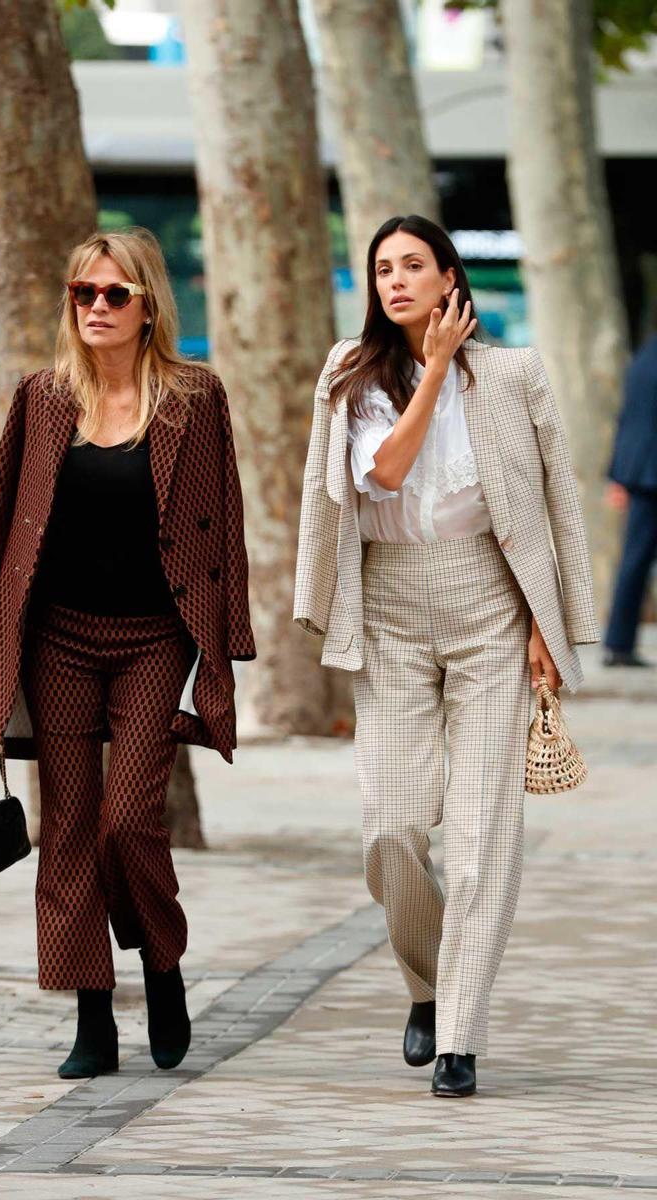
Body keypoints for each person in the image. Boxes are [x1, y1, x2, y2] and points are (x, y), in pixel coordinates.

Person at [0, 229, 255, 1079]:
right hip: (58, 638)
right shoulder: (42, 397)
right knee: (70, 826)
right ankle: (91, 1017)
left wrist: (226, 645)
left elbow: (222, 521)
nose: (98, 309)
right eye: (84, 294)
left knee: (127, 823)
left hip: (155, 637)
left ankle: (162, 963)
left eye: (116, 294)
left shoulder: (196, 397)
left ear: (149, 304)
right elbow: (4, 512)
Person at [294, 215, 596, 1098]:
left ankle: (459, 1032)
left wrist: (552, 622)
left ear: (448, 275)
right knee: (390, 827)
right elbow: (382, 474)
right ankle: (426, 979)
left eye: (413, 265)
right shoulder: (350, 374)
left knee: (480, 838)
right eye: (382, 268)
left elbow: (556, 501)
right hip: (386, 605)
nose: (395, 280)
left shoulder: (514, 374)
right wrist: (428, 373)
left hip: (488, 607)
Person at [603, 328, 657, 667]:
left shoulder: (641, 360)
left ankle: (619, 643)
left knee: (634, 561)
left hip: (639, 473)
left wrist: (618, 476)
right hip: (648, 470)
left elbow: (626, 420)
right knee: (635, 560)